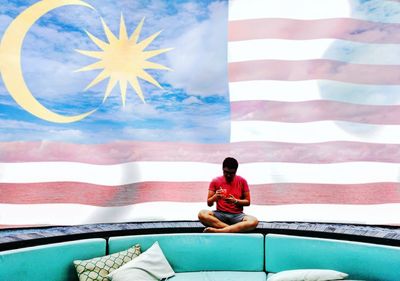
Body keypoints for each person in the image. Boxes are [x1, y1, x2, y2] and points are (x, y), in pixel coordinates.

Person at [198, 157, 259, 233]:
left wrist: (235, 201)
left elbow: (247, 202)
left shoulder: (242, 181)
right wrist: (215, 197)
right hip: (220, 214)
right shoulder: (215, 181)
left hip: (237, 215)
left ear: (236, 171)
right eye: (226, 172)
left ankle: (219, 231)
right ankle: (232, 229)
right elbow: (209, 203)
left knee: (254, 221)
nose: (228, 175)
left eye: (231, 173)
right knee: (202, 214)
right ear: (222, 169)